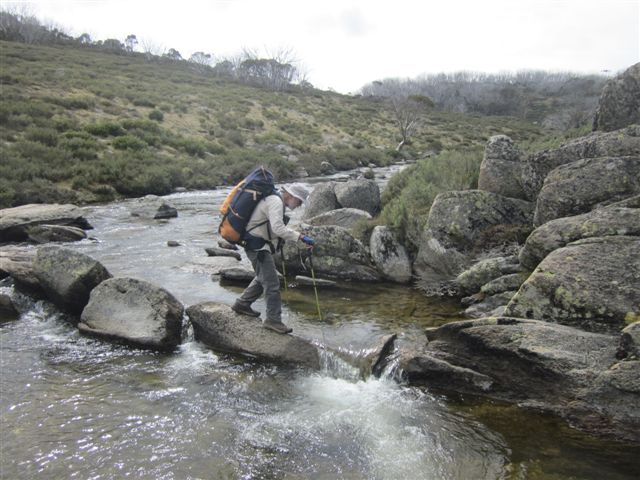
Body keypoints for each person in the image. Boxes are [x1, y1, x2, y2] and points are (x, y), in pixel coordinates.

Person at [232, 183, 315, 334]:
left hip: (256, 244)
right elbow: (278, 228)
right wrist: (300, 237)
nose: (299, 205)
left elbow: (272, 228)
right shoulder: (276, 202)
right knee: (272, 284)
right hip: (257, 246)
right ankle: (273, 320)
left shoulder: (275, 199)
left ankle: (242, 304)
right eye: (299, 201)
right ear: (290, 195)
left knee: (262, 277)